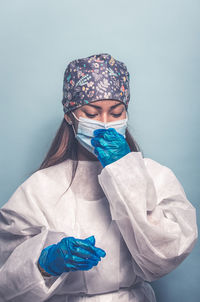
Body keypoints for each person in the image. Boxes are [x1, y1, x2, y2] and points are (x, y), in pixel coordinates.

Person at [0, 53, 197, 302]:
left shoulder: (155, 176)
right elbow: (5, 277)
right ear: (70, 116)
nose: (104, 124)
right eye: (92, 114)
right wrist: (44, 262)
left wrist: (127, 174)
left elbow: (167, 254)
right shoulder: (39, 188)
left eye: (115, 113)